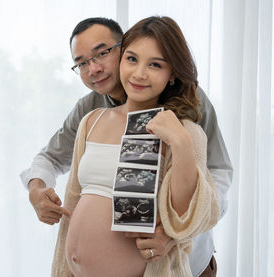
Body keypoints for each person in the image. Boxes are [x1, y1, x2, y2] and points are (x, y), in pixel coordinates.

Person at [20, 17, 232, 276]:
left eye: (102, 53)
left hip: (186, 261)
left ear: (122, 47)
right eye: (82, 63)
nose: (93, 68)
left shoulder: (189, 110)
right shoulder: (90, 113)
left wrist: (178, 233)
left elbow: (216, 175)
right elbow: (53, 161)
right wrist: (37, 188)